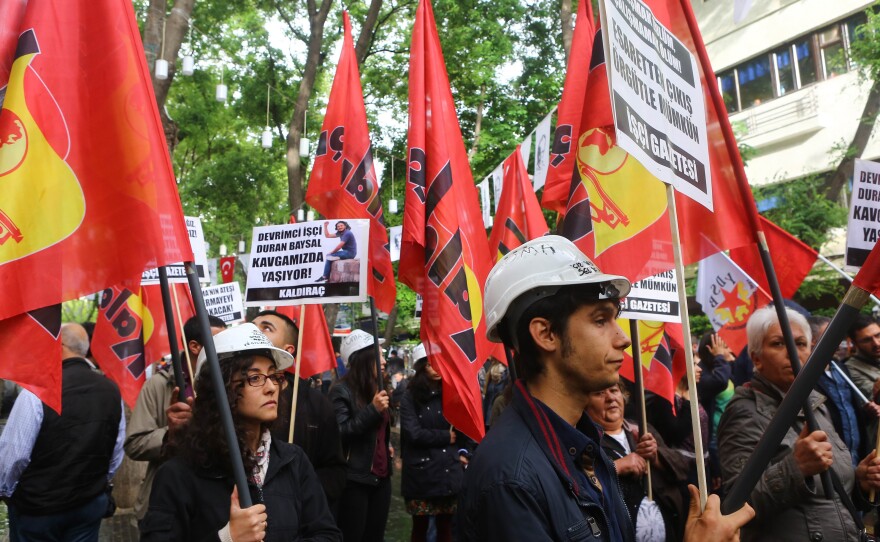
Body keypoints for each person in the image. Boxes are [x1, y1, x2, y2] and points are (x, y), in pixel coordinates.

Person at [457, 236, 754, 542]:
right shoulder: (510, 477)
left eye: (615, 318)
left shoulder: (584, 443)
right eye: (600, 320)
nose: (622, 338)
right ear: (545, 334)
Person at [140, 323, 341, 541]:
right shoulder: (179, 474)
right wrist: (227, 538)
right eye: (255, 378)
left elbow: (327, 534)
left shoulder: (293, 460)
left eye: (274, 376)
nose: (271, 387)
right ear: (221, 388)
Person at [718, 306, 880, 541]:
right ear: (757, 359)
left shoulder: (816, 403)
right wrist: (795, 467)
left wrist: (861, 482)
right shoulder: (745, 412)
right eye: (778, 344)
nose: (792, 352)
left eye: (801, 343)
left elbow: (832, 497)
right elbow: (736, 507)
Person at [0, 323, 125, 541]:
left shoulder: (37, 392)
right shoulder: (111, 391)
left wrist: (7, 492)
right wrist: (97, 484)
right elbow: (116, 451)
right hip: (88, 502)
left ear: (59, 346)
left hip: (38, 511)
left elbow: (13, 456)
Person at [125, 314, 226, 526]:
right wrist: (170, 432)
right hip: (167, 502)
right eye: (218, 342)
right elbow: (134, 444)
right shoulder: (158, 385)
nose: (225, 349)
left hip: (215, 504)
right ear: (195, 346)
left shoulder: (227, 382)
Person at [252, 309, 347, 516]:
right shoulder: (229, 398)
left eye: (266, 327)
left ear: (288, 350)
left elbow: (335, 471)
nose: (254, 330)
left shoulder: (317, 405)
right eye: (252, 325)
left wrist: (301, 492)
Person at [586, 381, 690, 542]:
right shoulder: (585, 441)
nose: (610, 398)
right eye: (599, 393)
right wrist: (617, 466)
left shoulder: (641, 428)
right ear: (585, 401)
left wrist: (656, 456)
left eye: (614, 390)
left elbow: (682, 468)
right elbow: (580, 485)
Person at [400, 343, 473, 542]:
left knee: (446, 528)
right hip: (422, 473)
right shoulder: (410, 397)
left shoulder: (451, 393)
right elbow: (412, 433)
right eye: (433, 365)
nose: (438, 369)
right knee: (420, 528)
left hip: (449, 471)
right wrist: (444, 437)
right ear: (423, 367)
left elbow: (463, 429)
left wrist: (464, 452)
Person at [329, 330, 392, 542]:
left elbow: (379, 432)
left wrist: (385, 446)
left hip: (381, 478)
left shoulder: (378, 389)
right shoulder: (341, 390)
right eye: (379, 355)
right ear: (364, 359)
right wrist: (372, 410)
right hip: (355, 480)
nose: (384, 361)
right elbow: (340, 433)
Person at [845, 314, 880, 404]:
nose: (876, 343)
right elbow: (875, 399)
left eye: (878, 335)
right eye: (867, 340)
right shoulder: (850, 369)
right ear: (855, 343)